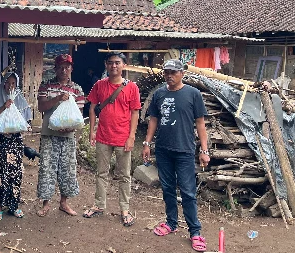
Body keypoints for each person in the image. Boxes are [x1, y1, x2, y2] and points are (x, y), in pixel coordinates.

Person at [142, 59, 210, 252]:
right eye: (166, 73)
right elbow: (154, 119)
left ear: (182, 73)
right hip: (163, 149)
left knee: (188, 192)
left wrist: (204, 150)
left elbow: (200, 123)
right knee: (168, 189)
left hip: (185, 150)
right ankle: (171, 223)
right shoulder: (159, 94)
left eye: (173, 72)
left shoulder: (192, 94)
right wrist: (147, 144)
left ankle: (195, 231)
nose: (169, 76)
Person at [83, 52, 140, 227]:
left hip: (123, 137)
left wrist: (131, 137)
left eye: (117, 63)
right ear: (106, 65)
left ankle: (124, 209)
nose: (113, 66)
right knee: (101, 172)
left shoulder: (132, 88)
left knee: (124, 175)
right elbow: (92, 108)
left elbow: (135, 113)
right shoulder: (99, 85)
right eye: (110, 63)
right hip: (103, 135)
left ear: (124, 65)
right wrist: (92, 130)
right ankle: (99, 205)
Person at [36, 54, 85, 217]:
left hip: (68, 136)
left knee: (67, 170)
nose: (64, 70)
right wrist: (57, 98)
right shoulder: (46, 85)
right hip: (49, 134)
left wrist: (70, 128)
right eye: (61, 67)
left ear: (72, 68)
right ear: (55, 69)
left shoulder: (77, 89)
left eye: (67, 67)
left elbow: (79, 115)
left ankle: (64, 203)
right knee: (47, 168)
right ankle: (46, 203)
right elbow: (41, 107)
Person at [0, 73, 32, 221]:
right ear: (3, 84)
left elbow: (26, 122)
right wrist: (5, 107)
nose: (10, 86)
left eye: (13, 83)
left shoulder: (20, 100)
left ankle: (14, 205)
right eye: (8, 83)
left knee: (14, 173)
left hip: (14, 142)